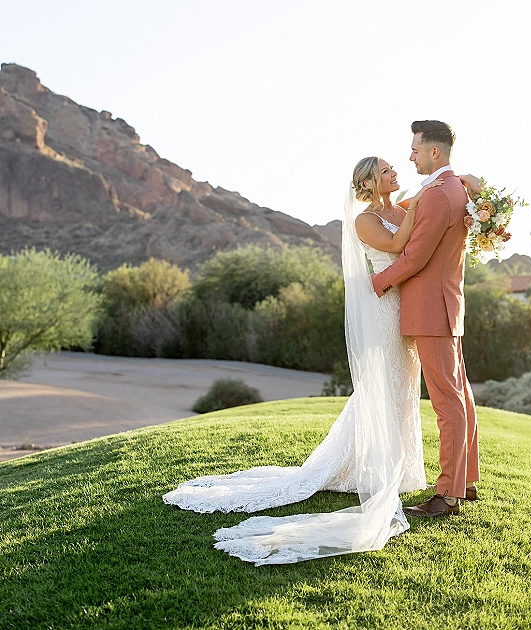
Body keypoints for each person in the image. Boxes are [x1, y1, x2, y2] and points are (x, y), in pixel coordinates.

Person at [162, 151, 477, 564]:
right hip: (386, 309)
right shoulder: (367, 219)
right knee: (383, 388)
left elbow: (434, 226)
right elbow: (403, 247)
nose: (395, 170)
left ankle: (401, 469)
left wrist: (464, 186)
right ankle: (361, 466)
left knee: (401, 390)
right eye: (386, 170)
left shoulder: (400, 207)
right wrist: (421, 199)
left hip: (409, 308)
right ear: (368, 182)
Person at [370, 120, 480, 517]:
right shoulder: (453, 188)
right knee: (460, 396)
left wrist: (377, 283)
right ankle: (465, 483)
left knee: (447, 403)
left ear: (435, 152)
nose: (409, 155)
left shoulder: (438, 195)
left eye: (415, 149)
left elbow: (414, 257)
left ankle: (448, 494)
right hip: (447, 305)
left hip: (432, 309)